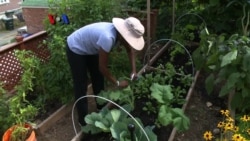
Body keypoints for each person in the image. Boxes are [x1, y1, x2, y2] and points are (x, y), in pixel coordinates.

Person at [66, 17, 145, 126]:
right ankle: (83, 121)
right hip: (76, 48)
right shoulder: (108, 37)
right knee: (81, 84)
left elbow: (130, 50)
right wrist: (117, 83)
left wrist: (133, 71)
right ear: (124, 34)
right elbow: (102, 67)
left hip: (91, 47)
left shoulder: (120, 34)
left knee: (98, 78)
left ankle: (100, 106)